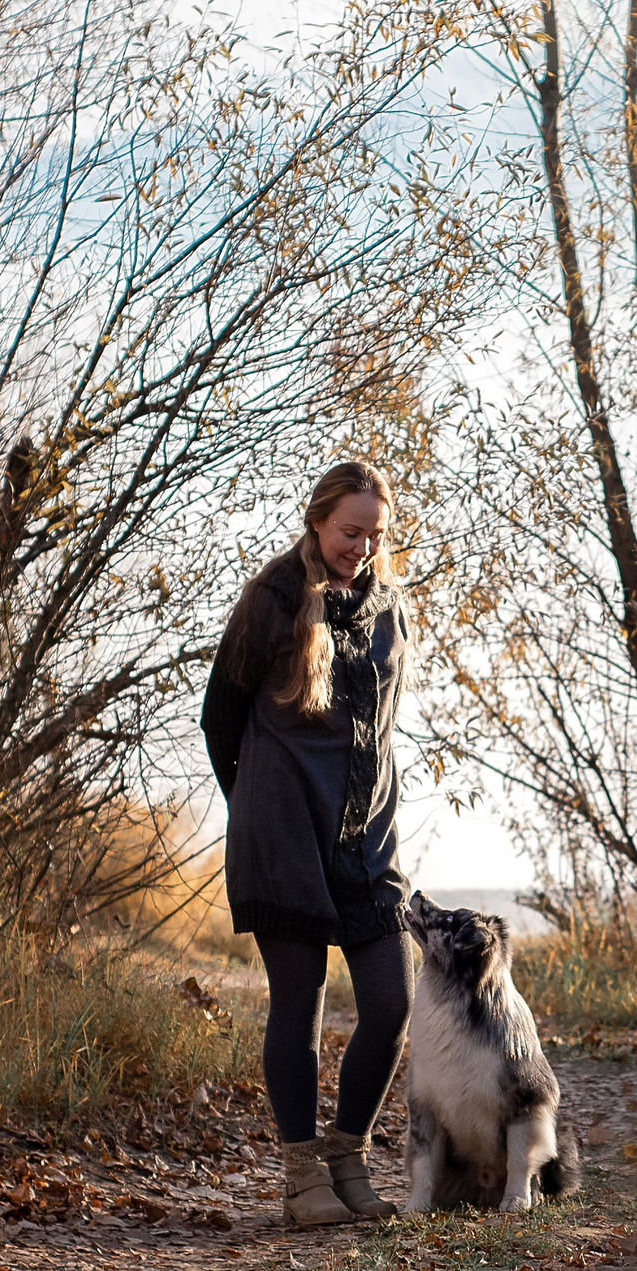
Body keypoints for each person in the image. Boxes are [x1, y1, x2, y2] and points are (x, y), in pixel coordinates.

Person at [201, 461, 415, 1226]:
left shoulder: (390, 607)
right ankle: (300, 1179)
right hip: (283, 829)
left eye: (374, 534)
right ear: (319, 521)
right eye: (350, 531)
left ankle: (347, 1155)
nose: (361, 546)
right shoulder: (274, 596)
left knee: (392, 999)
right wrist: (258, 809)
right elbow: (219, 717)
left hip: (366, 836)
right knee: (302, 1000)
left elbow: (380, 728)